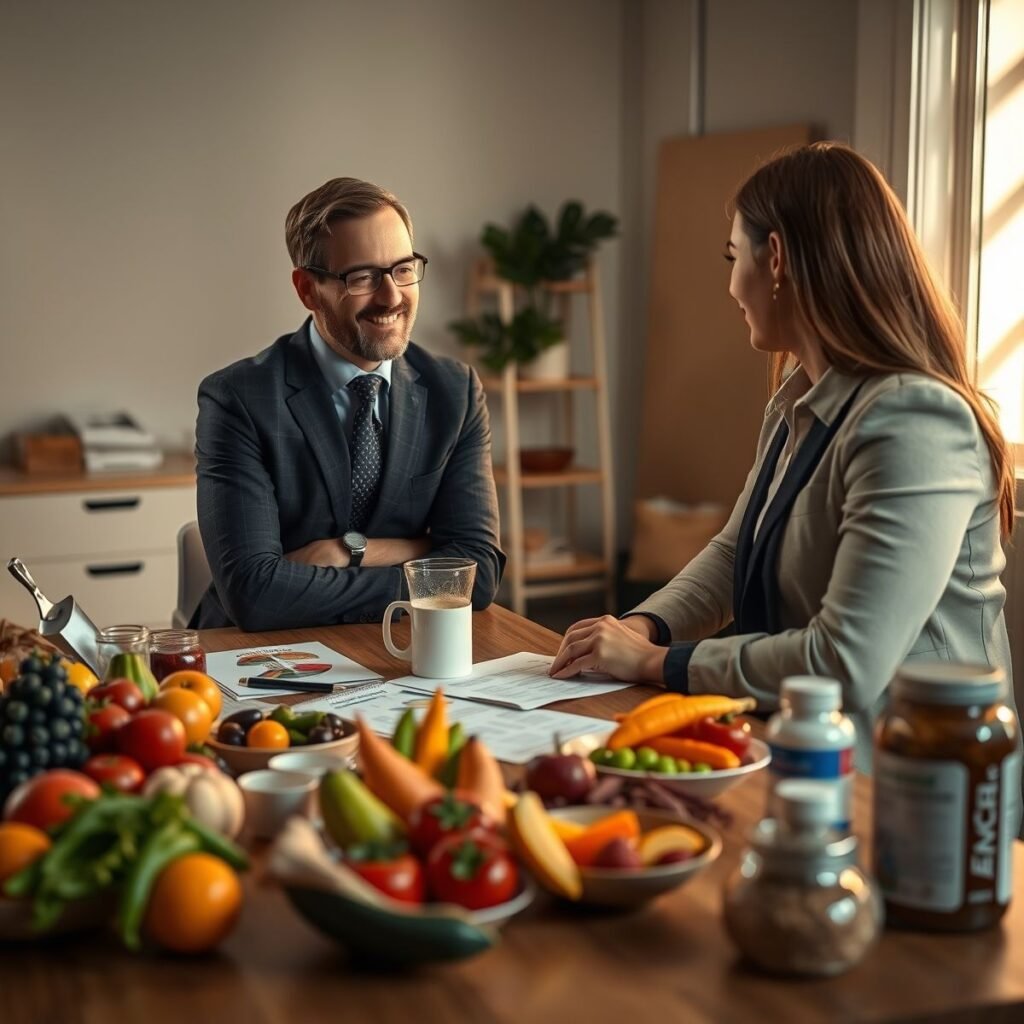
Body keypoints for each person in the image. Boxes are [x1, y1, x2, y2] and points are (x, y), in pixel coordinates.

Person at [550, 142, 1017, 767]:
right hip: (805, 748)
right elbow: (731, 550)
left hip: (915, 784)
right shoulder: (798, 398)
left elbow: (845, 663)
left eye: (732, 257)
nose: (731, 285)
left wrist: (658, 663)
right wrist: (646, 625)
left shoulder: (916, 423)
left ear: (776, 261)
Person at [192, 177, 505, 630]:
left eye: (402, 269)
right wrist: (422, 552)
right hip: (253, 661)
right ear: (307, 289)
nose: (392, 296)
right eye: (362, 277)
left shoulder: (454, 391)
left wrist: (347, 552)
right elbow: (254, 593)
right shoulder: (238, 399)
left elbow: (478, 573)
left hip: (401, 653)